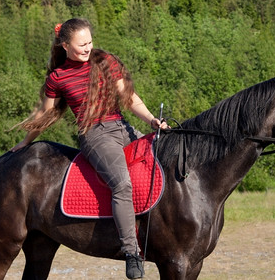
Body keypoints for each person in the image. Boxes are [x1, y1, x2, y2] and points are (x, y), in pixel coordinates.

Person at [10, 18, 168, 279]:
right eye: (81, 44)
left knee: (161, 162)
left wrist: (151, 119)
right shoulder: (57, 78)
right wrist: (26, 142)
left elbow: (128, 98)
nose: (87, 47)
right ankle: (131, 252)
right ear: (64, 45)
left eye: (90, 42)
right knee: (121, 184)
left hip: (122, 127)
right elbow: (45, 116)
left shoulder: (105, 60)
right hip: (95, 136)